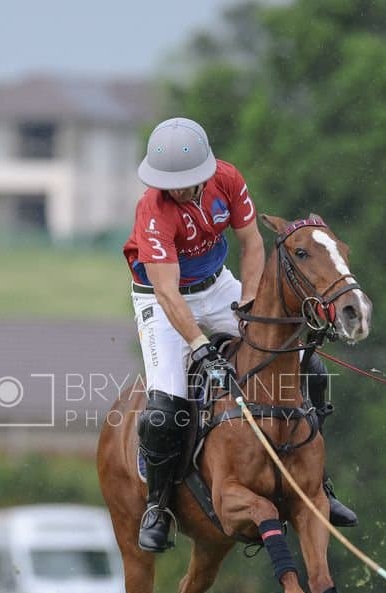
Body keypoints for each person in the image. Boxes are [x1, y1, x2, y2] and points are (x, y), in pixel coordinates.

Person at [123, 118, 356, 554]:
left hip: (217, 287)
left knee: (309, 365)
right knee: (162, 410)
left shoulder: (227, 179)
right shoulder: (152, 211)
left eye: (185, 182)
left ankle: (319, 484)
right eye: (168, 183)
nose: (177, 190)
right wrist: (201, 349)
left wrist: (249, 305)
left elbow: (252, 244)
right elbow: (168, 294)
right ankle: (157, 507)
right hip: (161, 299)